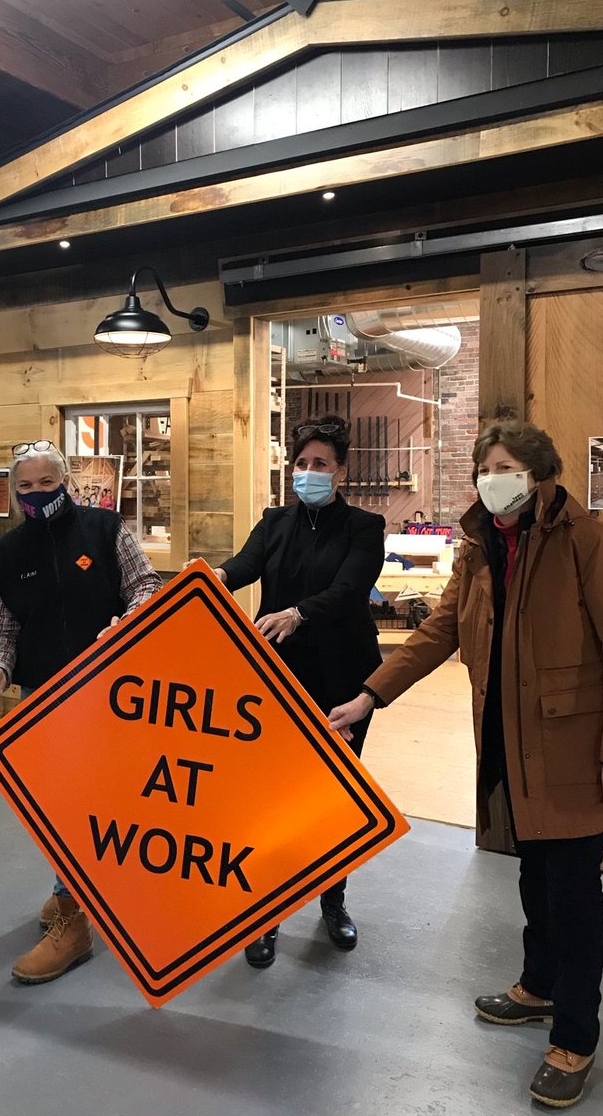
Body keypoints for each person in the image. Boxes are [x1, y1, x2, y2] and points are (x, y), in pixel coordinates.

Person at [329, 419, 603, 1109]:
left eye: (505, 467)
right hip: (508, 743)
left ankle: (576, 1037)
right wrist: (369, 695)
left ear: (539, 474)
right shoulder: (479, 548)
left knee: (574, 895)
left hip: (574, 751)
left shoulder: (590, 543)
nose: (491, 479)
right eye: (485, 467)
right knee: (534, 875)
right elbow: (439, 630)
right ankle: (539, 986)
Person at [0, 439, 160, 985]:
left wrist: (130, 622)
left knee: (95, 803)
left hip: (112, 694)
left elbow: (145, 585)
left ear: (66, 483)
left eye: (47, 483)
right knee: (59, 805)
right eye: (25, 486)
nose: (37, 493)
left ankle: (75, 919)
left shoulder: (105, 529)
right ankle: (71, 895)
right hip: (45, 699)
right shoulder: (5, 554)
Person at [210, 415, 385, 968]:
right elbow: (243, 566)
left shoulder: (364, 526)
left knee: (332, 795)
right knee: (272, 797)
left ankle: (333, 900)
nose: (309, 472)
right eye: (302, 463)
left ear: (341, 471)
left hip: (342, 682)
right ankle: (266, 913)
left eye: (321, 464)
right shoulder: (274, 521)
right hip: (276, 679)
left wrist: (298, 613)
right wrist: (209, 580)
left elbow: (350, 589)